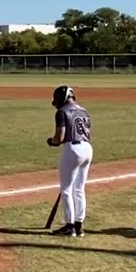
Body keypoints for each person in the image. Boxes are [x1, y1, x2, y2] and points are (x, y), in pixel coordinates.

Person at [45, 85, 93, 237]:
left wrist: (51, 142)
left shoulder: (62, 112)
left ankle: (69, 226)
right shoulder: (84, 111)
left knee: (66, 189)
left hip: (72, 149)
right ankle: (79, 225)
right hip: (87, 148)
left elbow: (59, 137)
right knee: (79, 188)